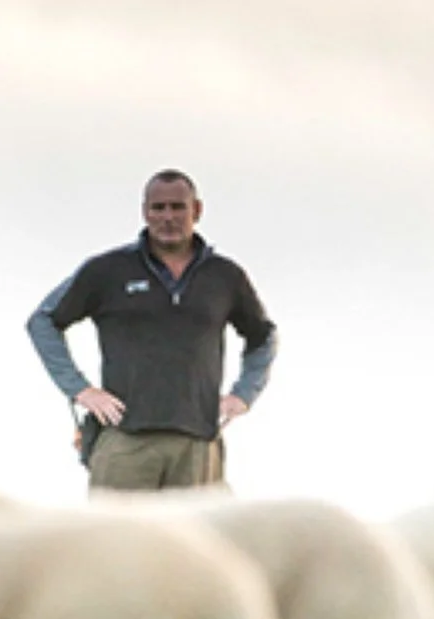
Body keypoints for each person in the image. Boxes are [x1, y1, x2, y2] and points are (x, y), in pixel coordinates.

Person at [26, 168, 277, 492]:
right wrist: (80, 390)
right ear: (145, 212)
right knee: (115, 542)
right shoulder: (107, 270)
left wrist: (243, 395)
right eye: (158, 208)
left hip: (198, 445)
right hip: (125, 441)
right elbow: (43, 321)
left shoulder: (225, 276)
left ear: (196, 210)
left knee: (199, 541)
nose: (168, 217)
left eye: (177, 207)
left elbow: (263, 337)